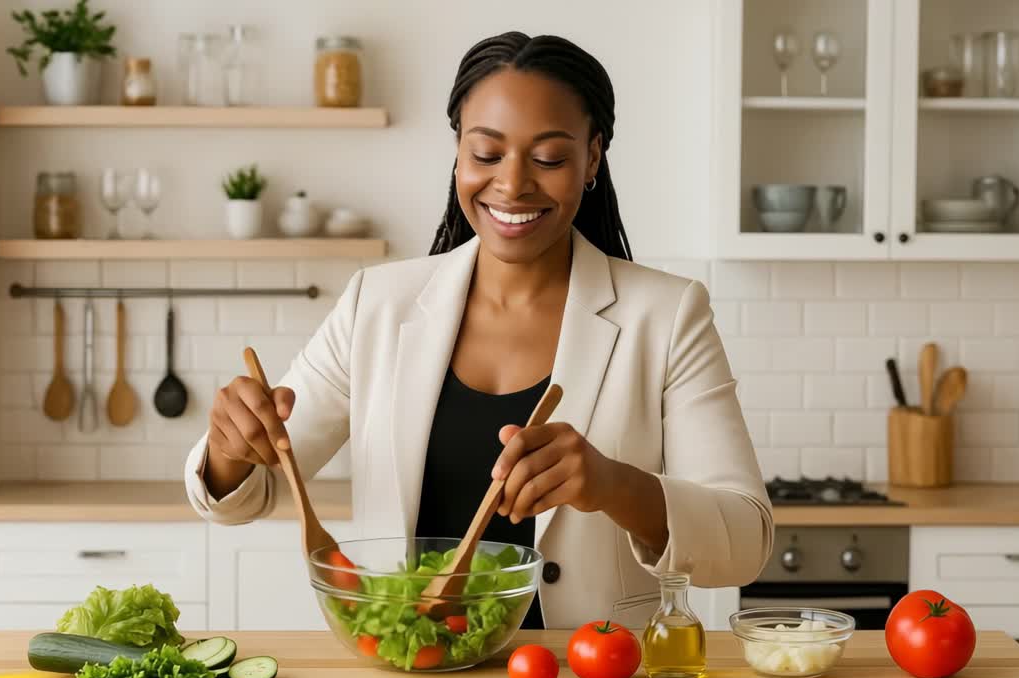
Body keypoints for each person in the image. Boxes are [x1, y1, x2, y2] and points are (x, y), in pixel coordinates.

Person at [185, 31, 772, 629]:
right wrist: (230, 451)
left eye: (548, 158)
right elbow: (250, 492)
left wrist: (610, 485)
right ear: (458, 152)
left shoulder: (668, 315)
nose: (512, 184)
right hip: (412, 670)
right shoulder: (377, 305)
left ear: (592, 158)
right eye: (487, 154)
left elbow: (747, 539)